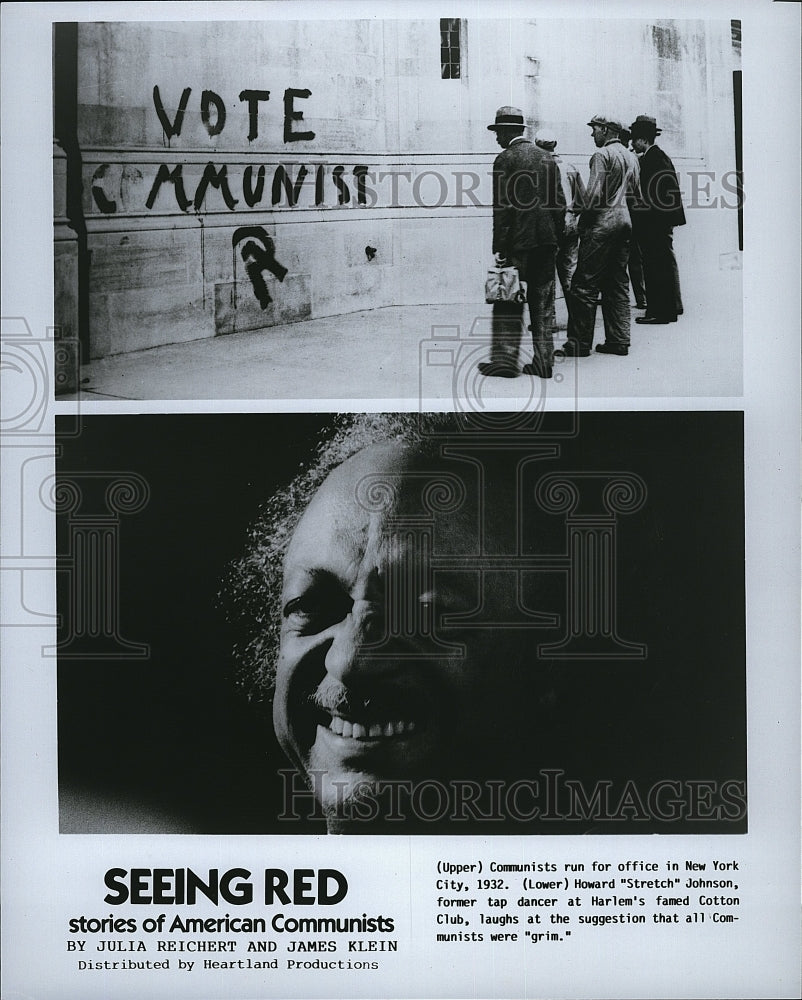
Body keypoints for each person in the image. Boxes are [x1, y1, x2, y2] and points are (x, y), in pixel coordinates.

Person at [478, 106, 565, 380]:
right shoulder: (547, 158)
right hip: (547, 242)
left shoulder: (505, 159)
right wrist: (555, 237)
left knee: (508, 300)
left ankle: (504, 362)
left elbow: (502, 208)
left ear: (506, 131)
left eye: (497, 132)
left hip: (518, 243)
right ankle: (544, 362)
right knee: (543, 302)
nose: (496, 138)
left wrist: (500, 247)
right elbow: (560, 204)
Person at [561, 115, 640, 358]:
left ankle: (579, 344)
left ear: (605, 130)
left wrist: (574, 212)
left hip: (601, 225)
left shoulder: (601, 156)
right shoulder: (631, 156)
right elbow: (635, 193)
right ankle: (619, 340)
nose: (592, 134)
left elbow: (593, 196)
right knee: (617, 283)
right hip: (624, 221)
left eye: (594, 129)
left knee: (584, 284)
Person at [628, 115, 686, 325]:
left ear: (643, 139)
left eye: (634, 140)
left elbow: (650, 195)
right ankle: (668, 309)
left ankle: (658, 312)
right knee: (663, 264)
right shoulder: (659, 156)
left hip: (654, 223)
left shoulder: (652, 159)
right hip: (661, 221)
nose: (633, 144)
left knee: (654, 266)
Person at [534, 129, 587, 323]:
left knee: (546, 276)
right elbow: (583, 199)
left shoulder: (538, 167)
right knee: (570, 274)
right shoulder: (570, 166)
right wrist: (571, 214)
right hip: (570, 226)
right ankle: (577, 319)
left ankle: (549, 321)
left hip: (548, 229)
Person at [618, 127, 648, 310]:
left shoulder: (625, 158)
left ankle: (637, 297)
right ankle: (641, 297)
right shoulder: (634, 158)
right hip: (634, 213)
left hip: (625, 211)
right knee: (635, 259)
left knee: (632, 258)